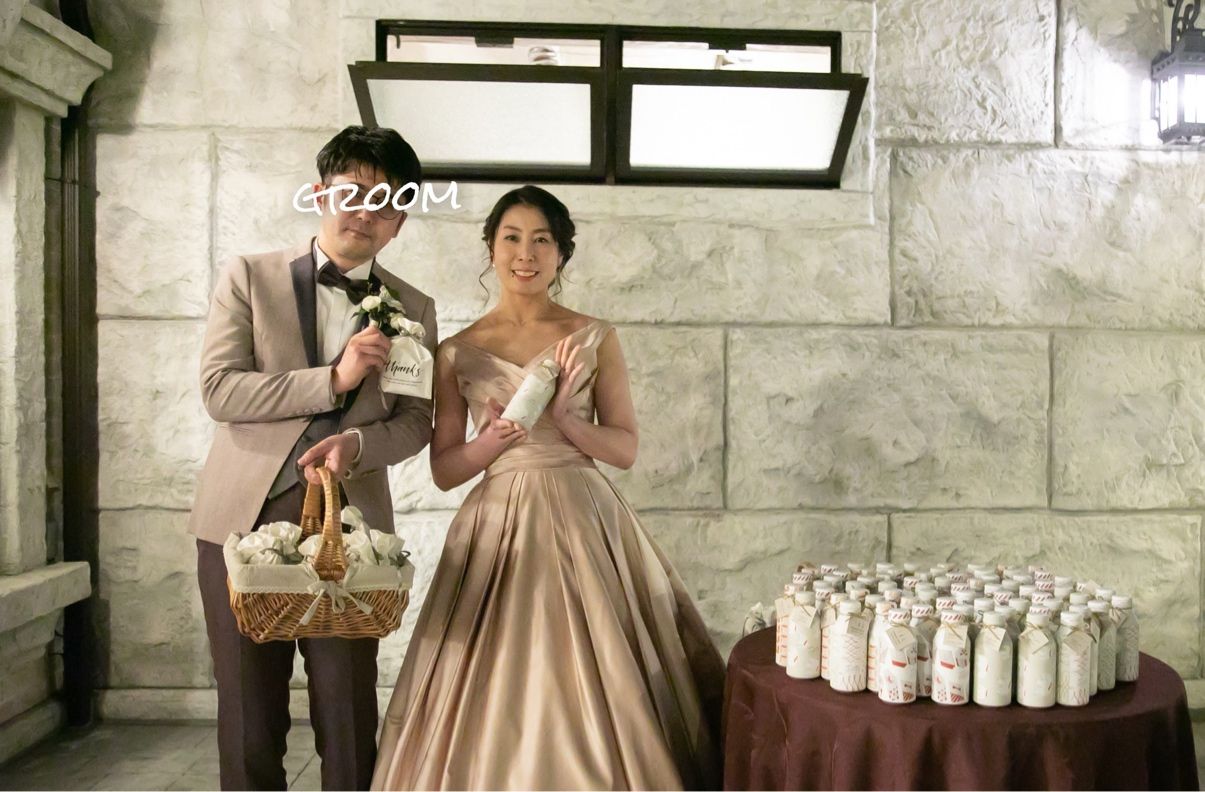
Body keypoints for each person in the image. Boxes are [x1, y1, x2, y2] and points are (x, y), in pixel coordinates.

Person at [372, 185, 724, 790]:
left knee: (603, 660)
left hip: (584, 514)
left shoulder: (594, 335)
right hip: (499, 519)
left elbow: (625, 449)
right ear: (491, 247)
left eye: (542, 240)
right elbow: (446, 469)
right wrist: (493, 441)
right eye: (512, 238)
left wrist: (566, 420)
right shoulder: (455, 351)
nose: (526, 253)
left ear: (562, 253)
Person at [187, 125, 437, 791]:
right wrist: (333, 378)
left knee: (348, 712)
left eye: (385, 202)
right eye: (352, 193)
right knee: (249, 715)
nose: (365, 212)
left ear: (400, 220)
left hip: (350, 534)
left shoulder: (414, 308)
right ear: (321, 193)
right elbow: (220, 390)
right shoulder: (248, 276)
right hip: (240, 519)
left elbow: (416, 423)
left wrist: (357, 445)